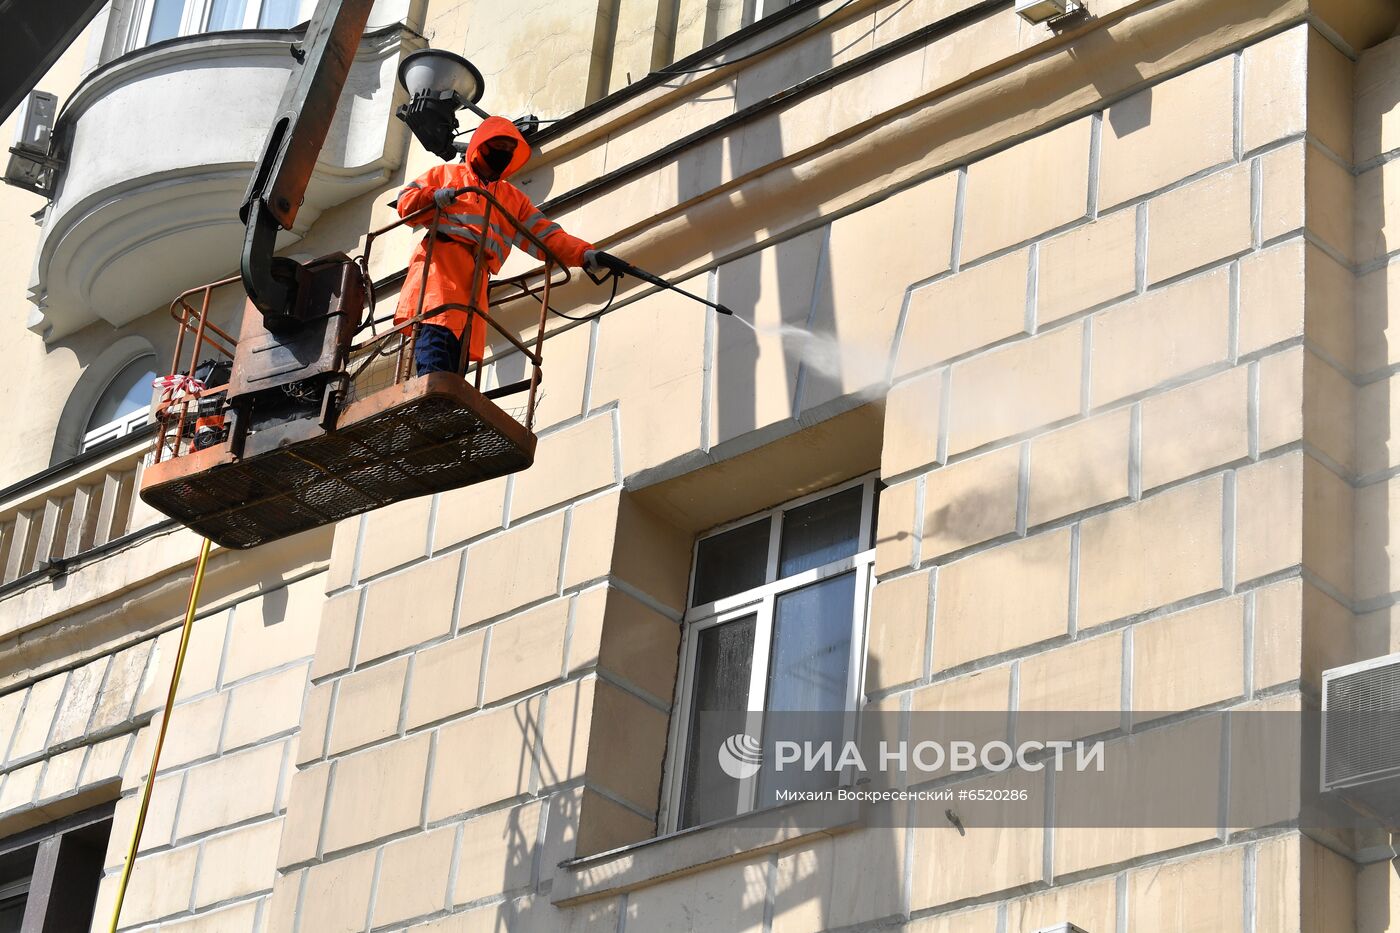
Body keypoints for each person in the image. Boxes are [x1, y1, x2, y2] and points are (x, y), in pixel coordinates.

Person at [392, 115, 617, 374]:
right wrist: (433, 196)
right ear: (482, 146)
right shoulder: (446, 174)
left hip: (474, 289)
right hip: (437, 278)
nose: (504, 154)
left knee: (454, 373)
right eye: (500, 146)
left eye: (510, 150)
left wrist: (584, 253)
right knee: (435, 360)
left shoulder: (512, 199)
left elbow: (547, 236)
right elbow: (405, 201)